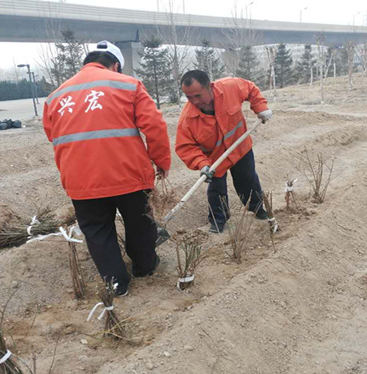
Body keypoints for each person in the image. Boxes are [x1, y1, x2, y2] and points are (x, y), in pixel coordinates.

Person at [43, 41, 171, 297]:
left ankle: (117, 285)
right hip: (128, 175)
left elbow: (51, 134)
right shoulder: (128, 85)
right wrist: (161, 162)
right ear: (115, 65)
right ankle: (145, 267)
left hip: (81, 181)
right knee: (140, 224)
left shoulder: (56, 96)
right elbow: (154, 126)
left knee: (98, 232)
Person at [175, 70, 273, 233]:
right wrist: (202, 164)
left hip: (240, 146)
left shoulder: (230, 87)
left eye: (197, 96)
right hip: (215, 158)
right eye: (189, 97)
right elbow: (186, 147)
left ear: (209, 87)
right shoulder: (187, 119)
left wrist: (260, 108)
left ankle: (257, 209)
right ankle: (218, 220)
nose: (193, 101)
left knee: (248, 179)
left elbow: (250, 88)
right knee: (216, 189)